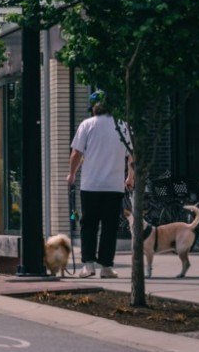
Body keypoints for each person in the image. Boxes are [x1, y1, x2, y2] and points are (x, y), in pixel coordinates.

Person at [67, 90, 135, 279]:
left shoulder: (87, 125)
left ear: (94, 109)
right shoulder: (124, 126)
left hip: (91, 185)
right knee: (109, 227)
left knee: (88, 225)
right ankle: (106, 266)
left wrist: (71, 174)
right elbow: (132, 155)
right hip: (114, 187)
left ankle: (88, 265)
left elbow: (76, 154)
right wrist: (130, 177)